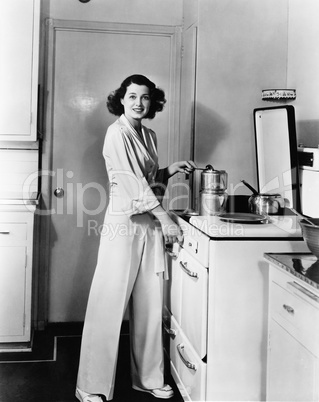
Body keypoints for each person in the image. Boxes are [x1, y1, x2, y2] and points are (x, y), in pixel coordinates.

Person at [75, 74, 196, 402]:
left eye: (145, 97)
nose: (139, 103)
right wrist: (166, 218)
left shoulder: (149, 135)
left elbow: (147, 179)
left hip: (148, 225)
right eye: (132, 97)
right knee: (108, 304)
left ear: (152, 102)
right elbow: (130, 184)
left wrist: (168, 172)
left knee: (149, 302)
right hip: (124, 225)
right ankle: (91, 386)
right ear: (121, 100)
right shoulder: (116, 134)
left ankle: (148, 377)